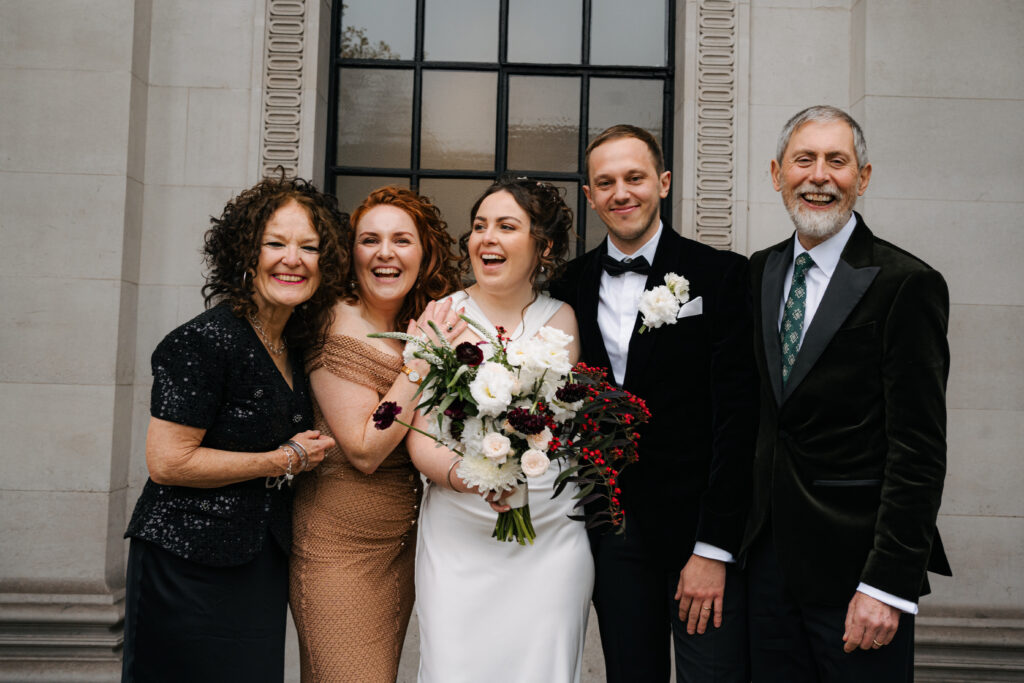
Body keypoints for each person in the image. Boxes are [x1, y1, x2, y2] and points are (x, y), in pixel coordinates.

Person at [741, 105, 952, 682]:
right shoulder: (760, 272)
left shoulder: (907, 284)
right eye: (803, 159)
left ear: (862, 178)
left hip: (858, 577)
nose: (819, 175)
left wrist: (887, 584)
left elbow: (919, 452)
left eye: (837, 161)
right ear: (776, 172)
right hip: (766, 573)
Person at [549, 125, 758, 682]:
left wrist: (715, 548)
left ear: (663, 183)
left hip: (700, 531)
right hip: (611, 529)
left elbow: (740, 420)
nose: (622, 193)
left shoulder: (721, 275)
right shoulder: (566, 286)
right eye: (606, 182)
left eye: (635, 177)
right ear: (590, 196)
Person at [122, 175, 347, 682]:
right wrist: (284, 458)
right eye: (275, 243)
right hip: (186, 564)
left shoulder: (292, 342)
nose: (293, 258)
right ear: (245, 254)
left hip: (259, 561)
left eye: (309, 247)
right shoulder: (202, 342)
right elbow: (168, 461)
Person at [409, 177, 593, 682]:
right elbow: (419, 435)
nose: (486, 238)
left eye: (506, 227)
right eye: (478, 227)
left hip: (550, 535)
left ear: (543, 247)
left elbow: (561, 426)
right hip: (460, 536)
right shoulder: (441, 317)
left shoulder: (563, 319)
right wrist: (472, 478)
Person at [289, 186, 462, 682]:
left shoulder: (419, 323)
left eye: (401, 240)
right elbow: (365, 446)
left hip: (400, 548)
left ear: (424, 253)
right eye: (370, 240)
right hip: (338, 552)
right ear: (352, 253)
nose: (386, 252)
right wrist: (420, 365)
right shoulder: (334, 327)